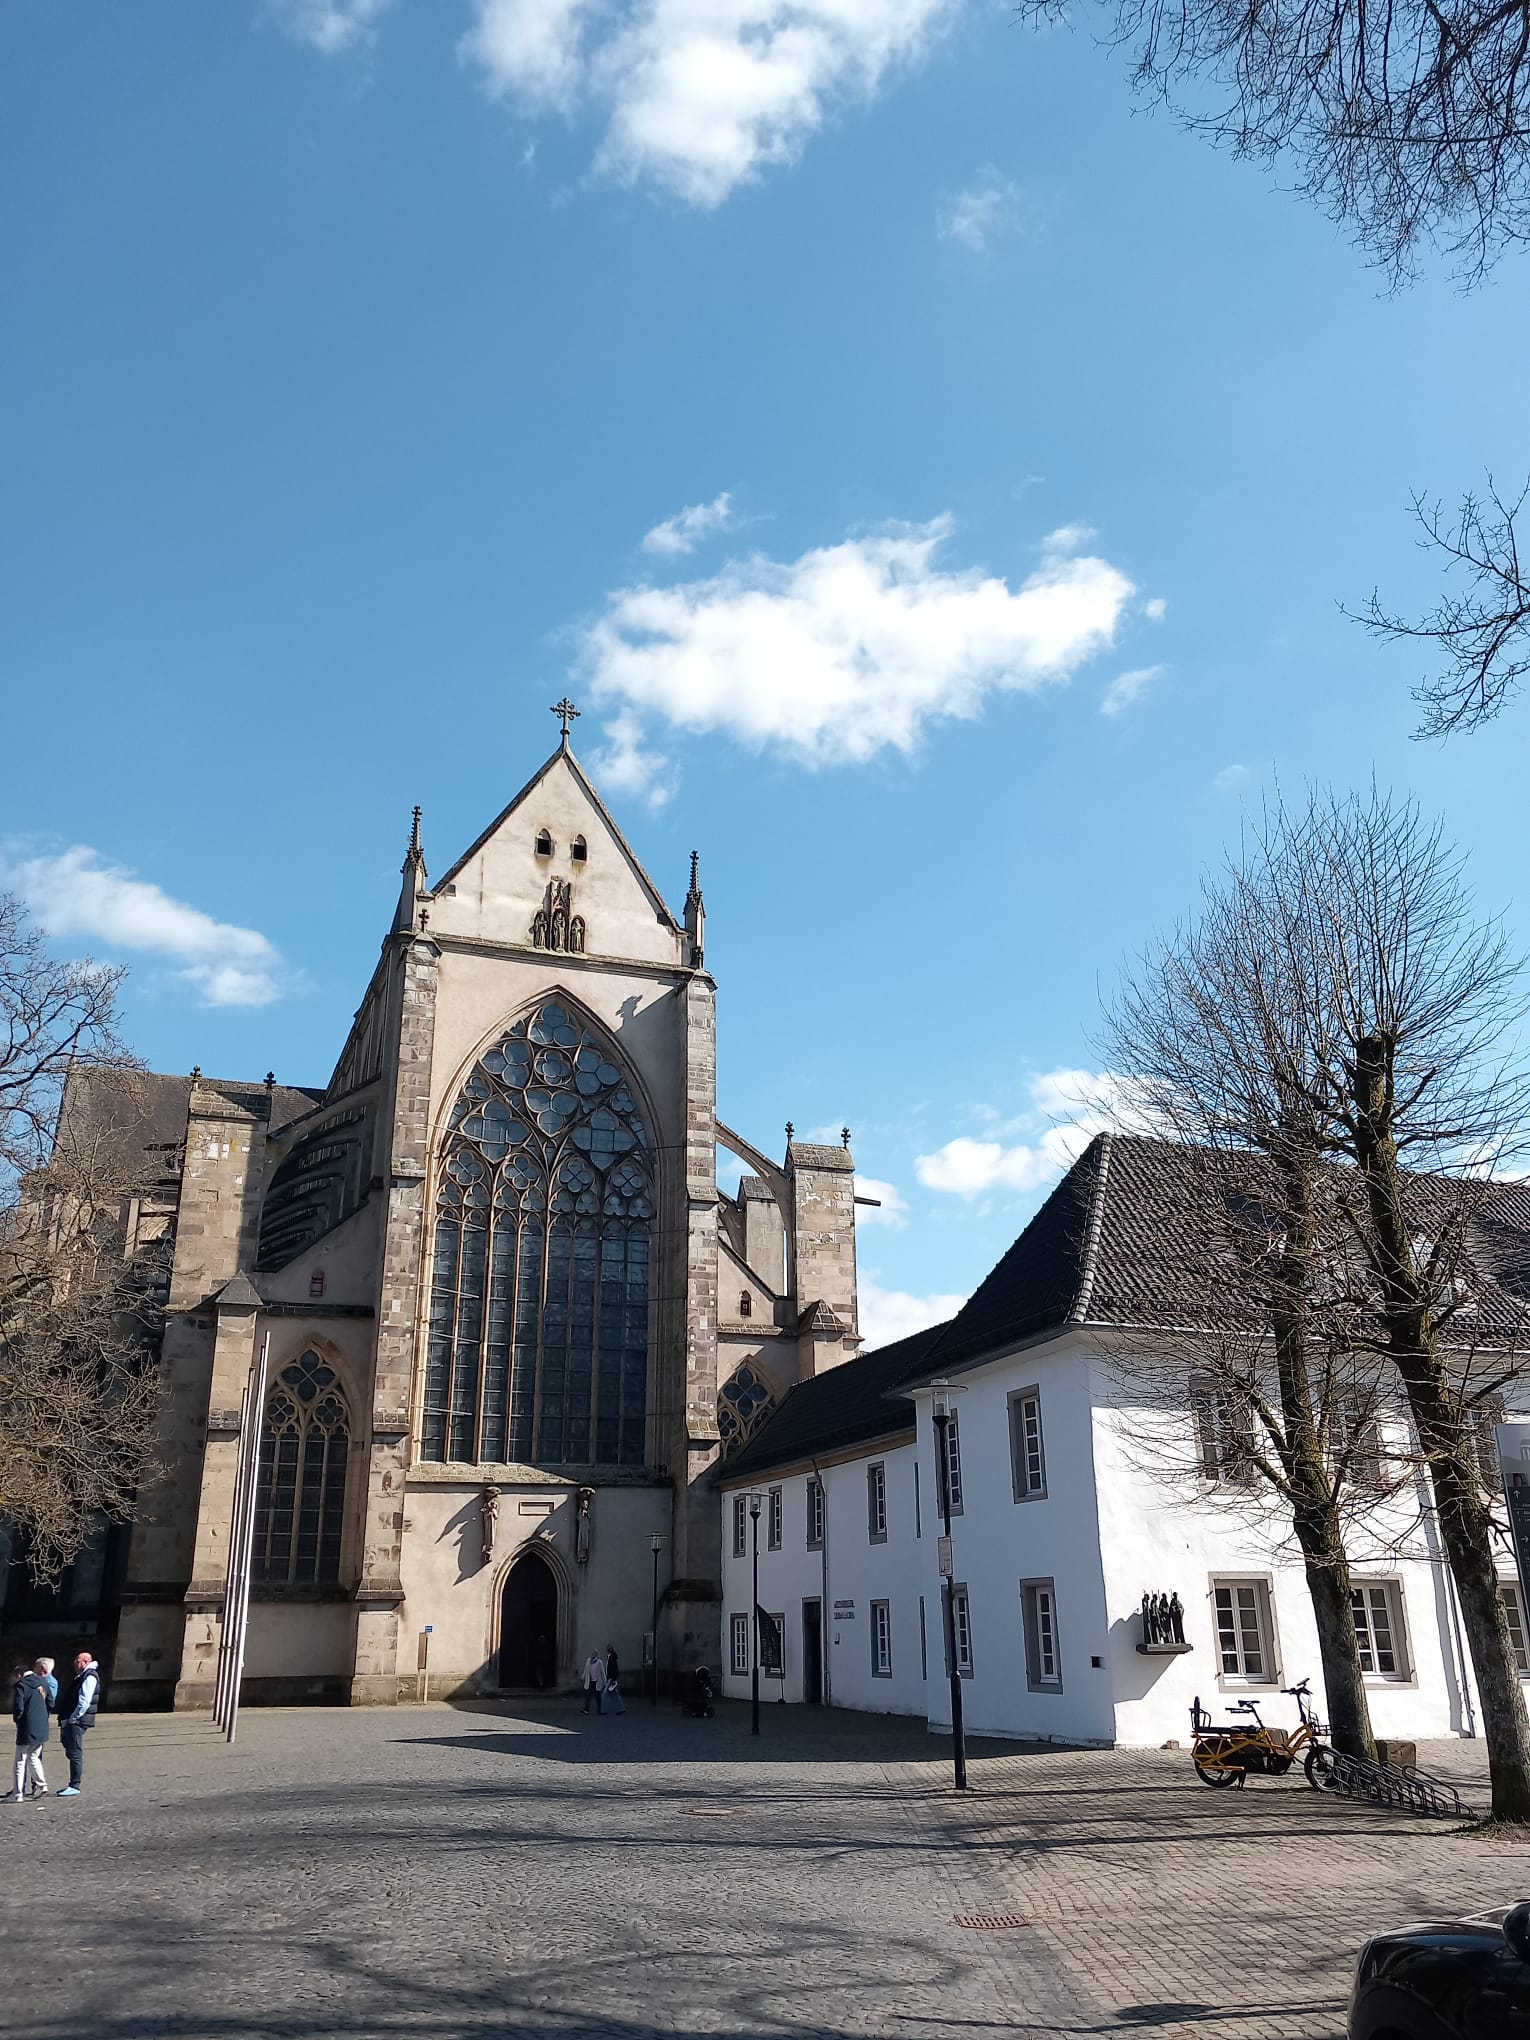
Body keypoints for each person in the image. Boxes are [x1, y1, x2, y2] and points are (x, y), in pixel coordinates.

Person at [56, 1651, 101, 1798]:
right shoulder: (81, 1676)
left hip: (77, 1720)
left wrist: (74, 1718)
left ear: (85, 1662)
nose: (74, 1664)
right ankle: (74, 1783)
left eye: (77, 1661)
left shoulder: (89, 1677)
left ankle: (74, 1784)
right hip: (71, 1719)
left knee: (75, 1752)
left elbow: (84, 1701)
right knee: (69, 1748)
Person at [10, 1662, 52, 1801]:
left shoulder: (21, 1685)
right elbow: (51, 1702)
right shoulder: (43, 1682)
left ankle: (18, 1794)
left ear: (19, 1675)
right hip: (41, 1726)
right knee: (34, 1756)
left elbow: (18, 1707)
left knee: (20, 1761)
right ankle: (42, 1785)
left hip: (27, 1727)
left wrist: (17, 1719)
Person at [580, 1649, 606, 1714]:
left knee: (598, 1697)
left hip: (597, 1681)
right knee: (588, 1695)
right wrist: (583, 1676)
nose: (593, 1654)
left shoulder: (599, 1662)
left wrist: (604, 1681)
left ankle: (599, 1710)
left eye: (594, 1653)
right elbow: (586, 1670)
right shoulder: (588, 1661)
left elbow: (602, 1672)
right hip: (590, 1681)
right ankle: (586, 1709)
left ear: (597, 1654)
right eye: (592, 1653)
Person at [603, 1645, 624, 1715]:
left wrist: (611, 1677)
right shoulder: (612, 1657)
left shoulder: (611, 1658)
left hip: (611, 1678)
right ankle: (621, 1708)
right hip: (612, 1677)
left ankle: (603, 1710)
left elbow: (612, 1669)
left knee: (605, 1694)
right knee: (615, 1694)